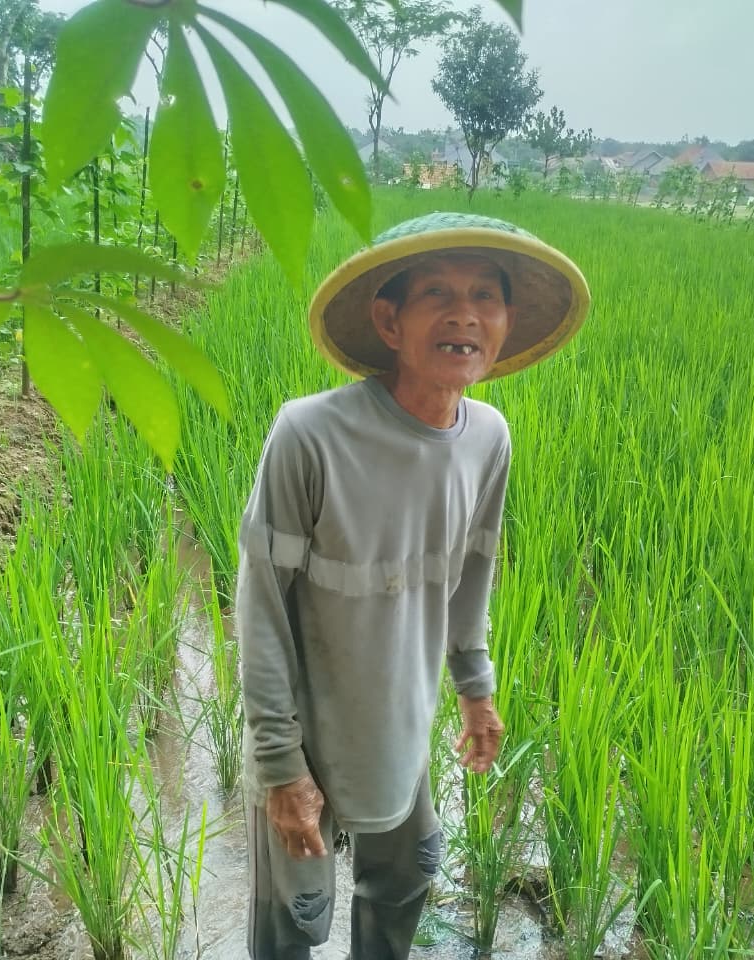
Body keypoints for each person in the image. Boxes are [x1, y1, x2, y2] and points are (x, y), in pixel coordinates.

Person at [235, 211, 590, 960]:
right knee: (291, 920)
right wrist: (279, 766)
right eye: (437, 294)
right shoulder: (309, 434)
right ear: (389, 321)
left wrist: (476, 689)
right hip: (305, 731)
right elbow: (261, 606)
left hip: (403, 721)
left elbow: (471, 574)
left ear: (506, 322)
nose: (465, 314)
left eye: (485, 295)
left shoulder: (489, 437)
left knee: (403, 885)